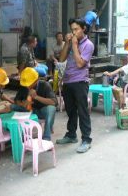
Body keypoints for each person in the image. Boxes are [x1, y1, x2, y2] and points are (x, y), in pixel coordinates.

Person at [56, 18, 94, 153]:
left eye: (76, 29)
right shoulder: (71, 41)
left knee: (82, 111)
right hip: (67, 80)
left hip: (80, 81)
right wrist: (67, 43)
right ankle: (71, 135)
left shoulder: (88, 45)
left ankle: (86, 139)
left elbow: (79, 63)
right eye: (72, 29)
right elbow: (61, 60)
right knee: (71, 111)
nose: (74, 32)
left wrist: (74, 44)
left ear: (83, 29)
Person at [20, 67, 57, 140]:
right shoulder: (25, 86)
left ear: (36, 80)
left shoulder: (45, 85)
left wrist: (36, 97)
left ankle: (46, 137)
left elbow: (54, 102)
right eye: (27, 85)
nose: (28, 86)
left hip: (43, 111)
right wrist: (25, 103)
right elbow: (17, 101)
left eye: (30, 84)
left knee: (51, 108)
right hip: (31, 111)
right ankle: (20, 134)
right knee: (13, 107)